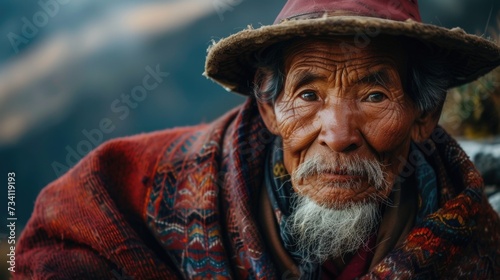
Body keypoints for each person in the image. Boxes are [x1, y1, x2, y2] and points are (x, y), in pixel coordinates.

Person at [15, 0, 500, 279]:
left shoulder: (472, 241)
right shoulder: (139, 180)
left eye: (374, 94)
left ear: (424, 114)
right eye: (307, 93)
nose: (338, 134)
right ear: (268, 109)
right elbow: (54, 238)